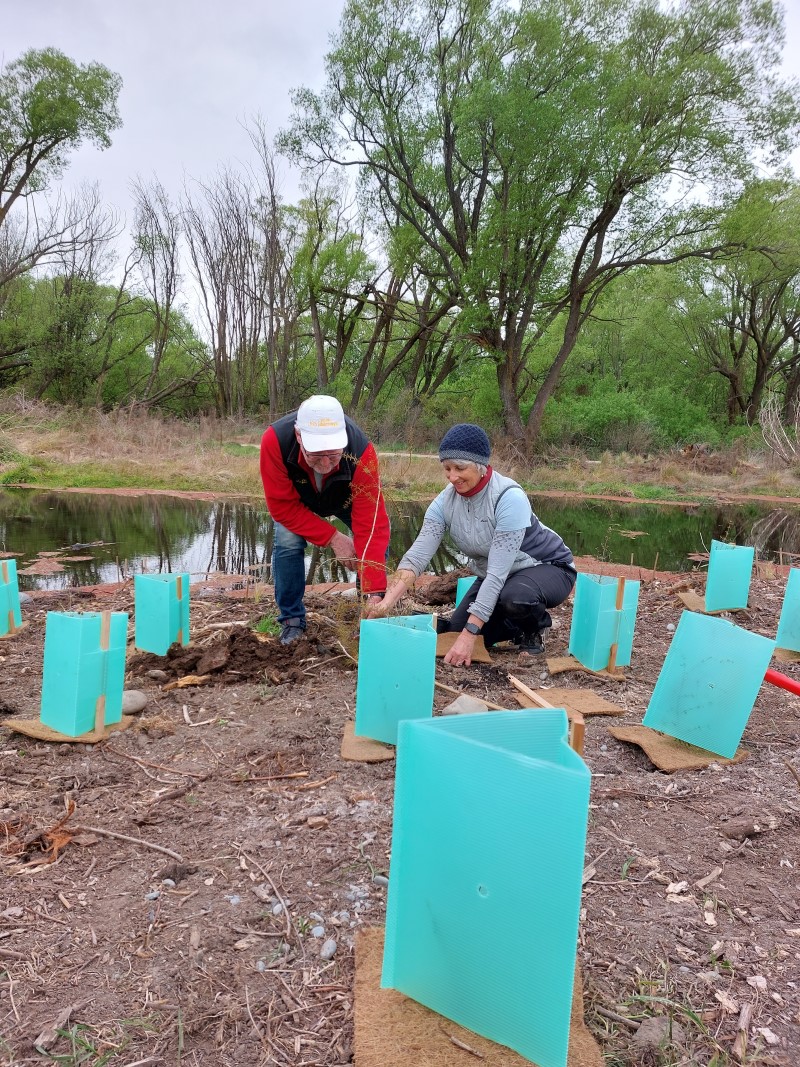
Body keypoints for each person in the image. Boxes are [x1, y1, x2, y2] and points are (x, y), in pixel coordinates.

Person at [368, 423, 576, 666]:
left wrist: (470, 635)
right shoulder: (444, 503)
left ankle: (536, 627)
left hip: (547, 567)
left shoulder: (509, 497)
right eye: (446, 468)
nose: (452, 476)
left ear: (481, 466)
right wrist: (386, 603)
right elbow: (417, 557)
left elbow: (497, 574)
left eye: (460, 468)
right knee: (457, 629)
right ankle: (514, 626)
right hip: (497, 574)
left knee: (515, 600)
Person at [260, 395, 390, 644]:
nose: (327, 464)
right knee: (287, 539)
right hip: (298, 502)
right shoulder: (275, 441)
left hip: (343, 500)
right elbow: (282, 508)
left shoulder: (362, 451)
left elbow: (371, 523)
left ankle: (369, 614)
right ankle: (291, 621)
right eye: (316, 455)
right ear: (299, 436)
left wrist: (375, 589)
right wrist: (333, 538)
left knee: (376, 543)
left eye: (333, 455)